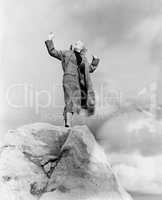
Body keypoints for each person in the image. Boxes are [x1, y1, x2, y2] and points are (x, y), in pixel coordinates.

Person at [45, 33, 100, 127]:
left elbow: (90, 69)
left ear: (82, 47)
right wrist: (50, 40)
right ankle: (68, 123)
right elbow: (52, 52)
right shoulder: (66, 53)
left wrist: (95, 60)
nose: (76, 44)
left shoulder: (84, 59)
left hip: (78, 82)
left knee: (74, 103)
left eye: (78, 43)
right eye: (75, 43)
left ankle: (66, 119)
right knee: (69, 100)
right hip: (68, 79)